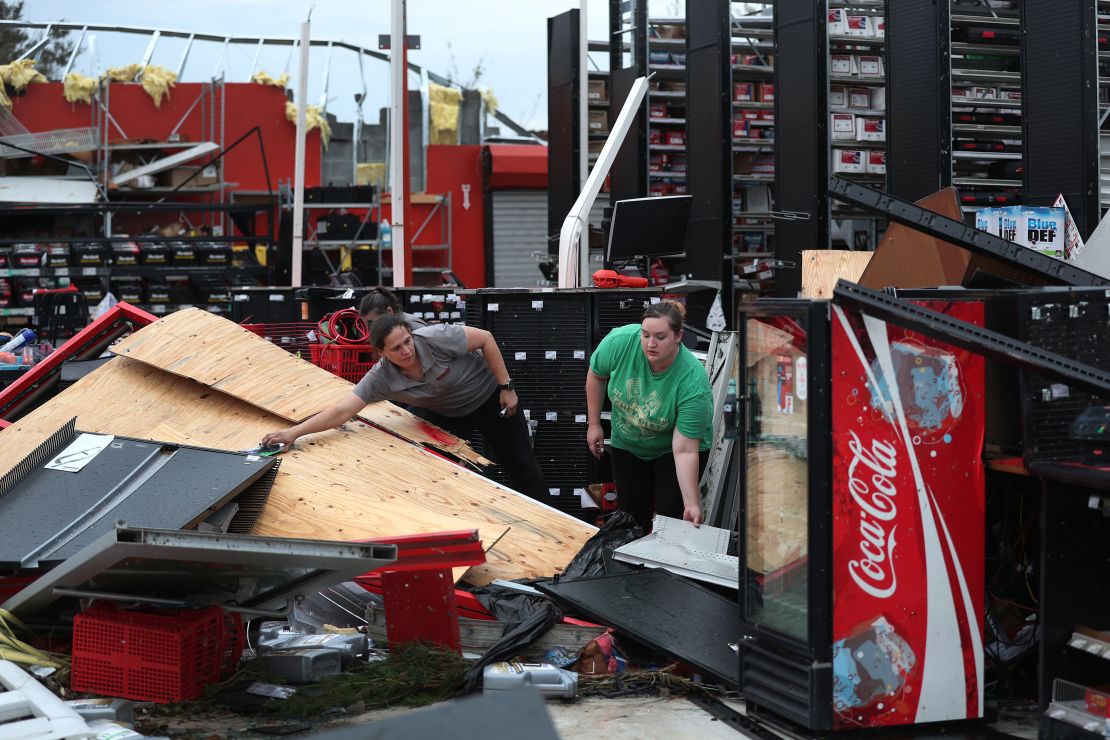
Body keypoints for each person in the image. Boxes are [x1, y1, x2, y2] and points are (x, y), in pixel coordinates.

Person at [262, 316, 548, 501]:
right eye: (396, 348)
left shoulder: (435, 338)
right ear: (381, 353)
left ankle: (552, 529)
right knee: (440, 472)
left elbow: (485, 338)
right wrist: (293, 433)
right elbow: (340, 412)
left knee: (522, 466)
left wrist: (506, 387)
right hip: (446, 414)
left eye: (407, 342)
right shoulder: (380, 377)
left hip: (488, 398)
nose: (406, 351)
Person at [585, 300, 713, 531]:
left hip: (672, 450)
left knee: (671, 516)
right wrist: (594, 423)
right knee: (631, 518)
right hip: (629, 441)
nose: (650, 344)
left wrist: (691, 502)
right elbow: (596, 374)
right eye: (645, 335)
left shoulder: (693, 382)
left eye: (660, 337)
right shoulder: (620, 342)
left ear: (678, 336)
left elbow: (684, 449)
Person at [357, 286, 427, 328]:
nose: (369, 331)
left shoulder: (413, 326)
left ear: (389, 312)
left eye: (372, 324)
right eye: (364, 326)